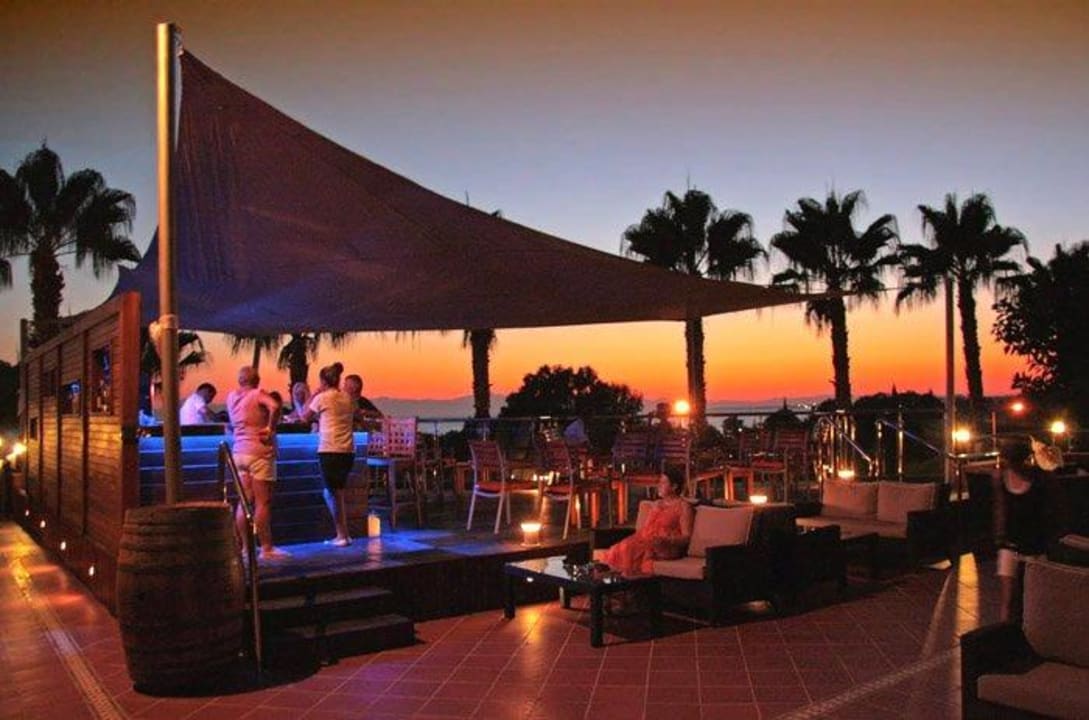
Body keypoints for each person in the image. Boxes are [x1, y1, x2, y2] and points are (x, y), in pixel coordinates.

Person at [993, 436, 1063, 621]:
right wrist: (1000, 536)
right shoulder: (1002, 478)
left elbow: (1050, 510)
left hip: (1034, 543)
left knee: (1033, 594)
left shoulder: (1040, 479)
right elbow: (1001, 508)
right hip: (1011, 543)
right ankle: (1008, 629)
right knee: (1009, 595)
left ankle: (1031, 627)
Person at [227, 367, 287, 561]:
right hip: (259, 452)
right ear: (257, 380)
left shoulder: (231, 397)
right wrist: (271, 427)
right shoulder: (257, 394)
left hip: (239, 452)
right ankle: (266, 548)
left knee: (244, 502)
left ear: (240, 380)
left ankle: (245, 548)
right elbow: (274, 406)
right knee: (263, 502)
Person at [301, 362, 355, 546]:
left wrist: (314, 394)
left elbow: (304, 416)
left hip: (330, 449)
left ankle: (342, 535)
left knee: (333, 493)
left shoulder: (322, 398)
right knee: (337, 492)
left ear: (323, 381)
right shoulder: (347, 397)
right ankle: (344, 534)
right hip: (347, 450)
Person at [603, 466, 694, 576]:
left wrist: (667, 540)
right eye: (659, 482)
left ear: (674, 486)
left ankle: (629, 577)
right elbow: (646, 529)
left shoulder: (683, 506)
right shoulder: (656, 504)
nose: (659, 486)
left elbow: (686, 537)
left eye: (663, 483)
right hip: (648, 540)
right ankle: (619, 581)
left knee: (630, 550)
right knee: (621, 548)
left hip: (667, 546)